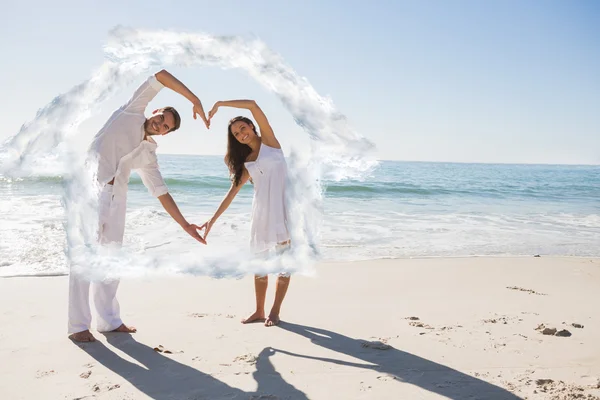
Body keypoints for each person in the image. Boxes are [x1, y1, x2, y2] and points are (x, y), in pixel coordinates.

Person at [68, 70, 209, 342]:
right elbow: (163, 75)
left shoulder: (149, 153)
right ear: (154, 111)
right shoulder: (131, 112)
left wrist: (185, 225)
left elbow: (161, 191)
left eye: (166, 127)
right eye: (161, 119)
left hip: (116, 199)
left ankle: (109, 321)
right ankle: (78, 326)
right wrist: (194, 99)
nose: (160, 126)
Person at [200, 100, 291, 327]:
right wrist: (211, 221)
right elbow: (233, 192)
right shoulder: (247, 161)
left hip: (284, 209)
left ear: (252, 126)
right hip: (261, 213)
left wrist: (220, 104)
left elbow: (252, 105)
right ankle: (259, 310)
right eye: (236, 134)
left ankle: (275, 311)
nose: (241, 134)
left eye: (243, 128)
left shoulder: (270, 143)